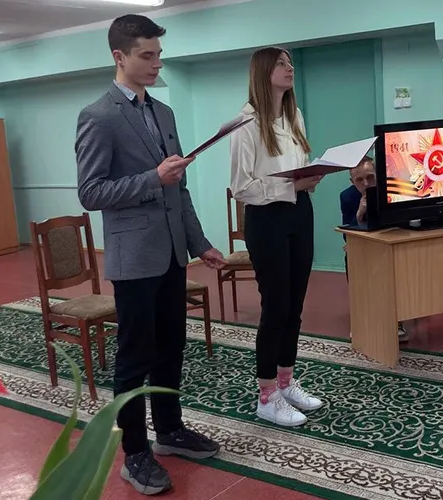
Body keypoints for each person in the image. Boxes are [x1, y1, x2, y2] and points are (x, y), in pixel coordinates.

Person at [75, 14, 227, 496]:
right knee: (134, 357)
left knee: (171, 347)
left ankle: (170, 431)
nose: (157, 63)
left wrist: (200, 244)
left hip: (171, 255)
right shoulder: (98, 116)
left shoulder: (163, 113)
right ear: (119, 57)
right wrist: (151, 179)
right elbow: (91, 192)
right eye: (147, 55)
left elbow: (178, 189)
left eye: (159, 55)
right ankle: (135, 453)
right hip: (134, 258)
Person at [229, 47, 324, 428]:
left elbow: (297, 167)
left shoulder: (294, 115)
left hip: (300, 212)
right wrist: (289, 187)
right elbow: (241, 187)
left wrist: (310, 178)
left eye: (290, 62)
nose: (290, 68)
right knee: (276, 307)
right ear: (264, 71)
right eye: (282, 64)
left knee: (295, 305)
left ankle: (286, 382)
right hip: (266, 219)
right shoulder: (245, 123)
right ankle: (266, 395)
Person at [340, 156, 409, 342]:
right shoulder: (347, 197)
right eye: (359, 180)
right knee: (351, 255)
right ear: (352, 182)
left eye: (370, 177)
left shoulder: (393, 190)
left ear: (378, 175)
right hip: (364, 245)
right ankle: (361, 317)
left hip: (389, 241)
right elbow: (347, 234)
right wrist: (359, 213)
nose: (366, 183)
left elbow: (404, 223)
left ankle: (397, 319)